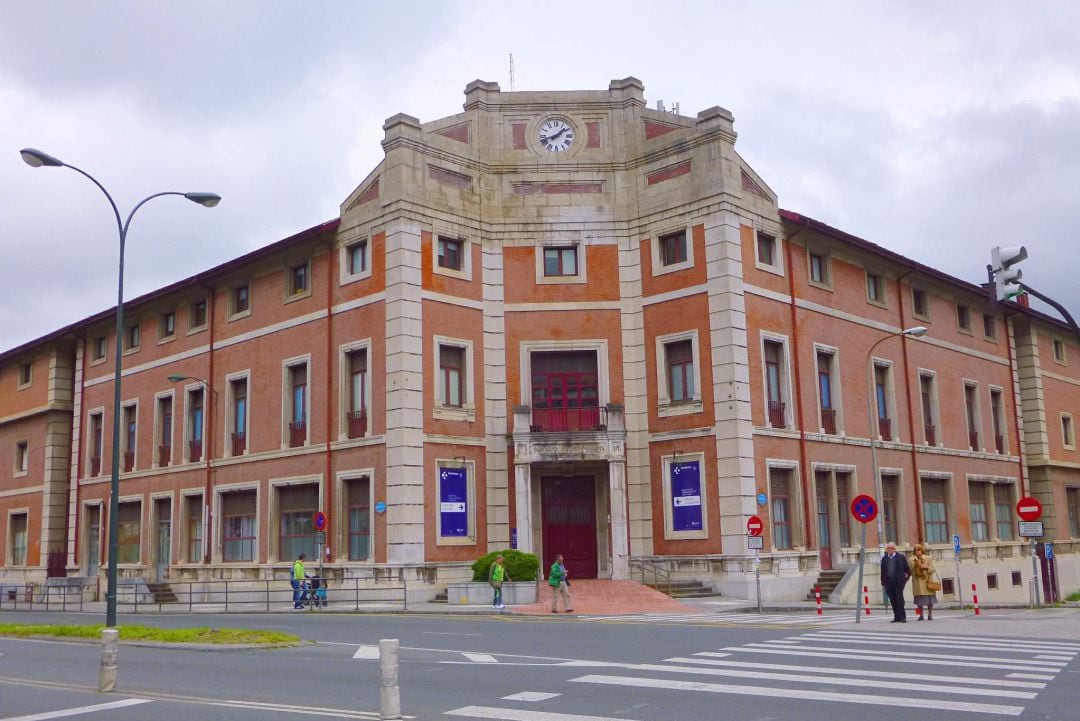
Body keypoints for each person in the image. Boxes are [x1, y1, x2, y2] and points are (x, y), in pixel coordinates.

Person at [880, 542, 911, 623]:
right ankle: (896, 617)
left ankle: (902, 617)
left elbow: (907, 570)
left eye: (891, 548)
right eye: (888, 548)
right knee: (893, 600)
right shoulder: (884, 559)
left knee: (899, 599)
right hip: (888, 582)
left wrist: (904, 580)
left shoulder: (901, 557)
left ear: (894, 549)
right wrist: (883, 581)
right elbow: (882, 571)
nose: (889, 550)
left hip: (898, 582)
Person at [910, 543, 937, 621]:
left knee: (930, 600)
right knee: (919, 601)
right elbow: (910, 571)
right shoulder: (911, 559)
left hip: (927, 581)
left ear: (922, 550)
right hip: (917, 582)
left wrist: (926, 567)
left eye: (919, 550)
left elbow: (933, 569)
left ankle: (930, 614)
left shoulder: (928, 558)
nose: (917, 551)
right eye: (915, 550)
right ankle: (921, 615)